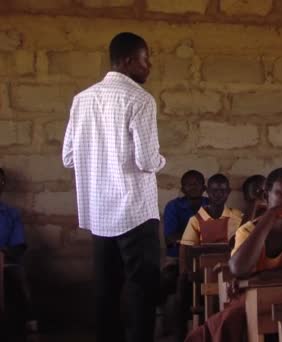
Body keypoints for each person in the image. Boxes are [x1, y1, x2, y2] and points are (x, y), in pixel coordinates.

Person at [62, 32, 165, 342]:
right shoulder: (140, 100)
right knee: (141, 290)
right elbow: (147, 161)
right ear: (129, 61)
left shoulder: (82, 99)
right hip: (135, 211)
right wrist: (162, 160)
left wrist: (98, 157)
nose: (150, 67)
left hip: (99, 214)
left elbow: (68, 157)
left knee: (106, 291)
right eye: (146, 60)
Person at [185, 167, 282, 342]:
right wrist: (271, 215)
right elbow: (239, 269)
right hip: (256, 303)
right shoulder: (248, 230)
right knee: (233, 321)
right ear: (265, 197)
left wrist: (263, 276)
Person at [160, 170, 208, 341]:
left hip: (205, 258)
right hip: (176, 259)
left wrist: (188, 237)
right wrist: (196, 238)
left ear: (204, 187)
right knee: (170, 283)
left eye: (197, 183)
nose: (193, 187)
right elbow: (171, 237)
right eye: (189, 184)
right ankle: (174, 331)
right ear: (182, 188)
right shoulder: (173, 206)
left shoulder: (211, 205)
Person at [0, 168, 37, 337]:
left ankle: (28, 320)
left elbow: (19, 245)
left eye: (1, 182)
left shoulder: (11, 213)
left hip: (5, 261)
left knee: (18, 273)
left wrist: (3, 253)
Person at [179, 173, 243, 270]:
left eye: (222, 190)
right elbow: (185, 250)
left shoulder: (238, 216)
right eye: (214, 190)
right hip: (204, 270)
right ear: (207, 191)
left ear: (228, 192)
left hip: (231, 268)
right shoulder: (196, 220)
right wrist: (184, 275)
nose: (218, 194)